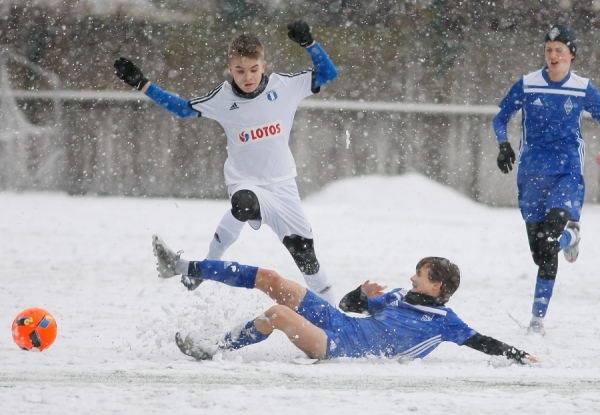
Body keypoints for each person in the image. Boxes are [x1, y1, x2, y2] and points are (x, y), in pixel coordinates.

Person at [114, 21, 338, 304]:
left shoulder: (285, 86)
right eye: (241, 70)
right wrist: (143, 84)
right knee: (244, 202)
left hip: (283, 186)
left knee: (306, 258)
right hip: (244, 181)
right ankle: (205, 267)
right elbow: (183, 109)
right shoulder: (222, 97)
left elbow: (328, 73)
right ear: (230, 69)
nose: (248, 77)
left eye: (254, 69)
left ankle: (335, 317)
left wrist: (310, 44)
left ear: (263, 66)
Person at [152, 234, 537, 364]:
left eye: (419, 274)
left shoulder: (446, 323)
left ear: (437, 286)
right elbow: (349, 307)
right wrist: (360, 294)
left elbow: (482, 342)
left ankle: (214, 347)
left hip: (339, 346)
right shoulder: (400, 296)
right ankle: (186, 267)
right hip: (340, 323)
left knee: (277, 313)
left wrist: (520, 355)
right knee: (271, 279)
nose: (410, 277)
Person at [493, 24, 600, 335]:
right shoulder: (528, 84)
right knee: (541, 252)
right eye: (548, 50)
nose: (553, 56)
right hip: (532, 172)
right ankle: (572, 239)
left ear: (572, 55)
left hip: (567, 171)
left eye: (559, 51)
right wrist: (503, 144)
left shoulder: (583, 88)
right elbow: (500, 117)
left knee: (549, 239)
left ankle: (537, 320)